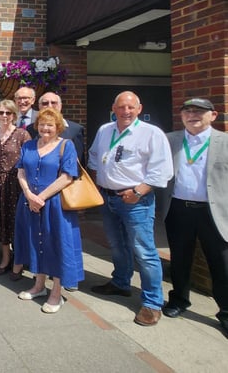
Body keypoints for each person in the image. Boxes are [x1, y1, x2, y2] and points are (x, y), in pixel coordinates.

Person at [88, 91, 173, 326]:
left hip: (136, 201)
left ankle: (152, 302)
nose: (126, 111)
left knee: (144, 252)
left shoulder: (151, 134)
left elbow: (162, 170)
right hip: (108, 198)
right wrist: (97, 186)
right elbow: (95, 157)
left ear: (139, 108)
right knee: (117, 245)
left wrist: (137, 192)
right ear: (113, 108)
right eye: (121, 107)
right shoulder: (105, 130)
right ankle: (120, 283)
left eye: (130, 107)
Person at [159, 98, 228, 334]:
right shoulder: (170, 140)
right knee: (179, 259)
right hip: (179, 208)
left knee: (221, 263)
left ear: (214, 115)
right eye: (187, 111)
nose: (192, 115)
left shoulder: (225, 141)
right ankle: (179, 300)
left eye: (199, 111)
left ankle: (226, 312)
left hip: (214, 212)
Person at [14, 108, 84, 313]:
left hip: (54, 205)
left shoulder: (66, 146)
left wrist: (41, 197)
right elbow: (21, 171)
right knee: (35, 242)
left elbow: (67, 176)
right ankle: (38, 285)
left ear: (58, 127)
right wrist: (28, 194)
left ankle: (56, 293)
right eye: (42, 124)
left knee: (56, 245)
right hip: (29, 202)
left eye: (50, 125)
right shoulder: (28, 145)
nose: (45, 128)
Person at [0, 99, 30, 275]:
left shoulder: (22, 135)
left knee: (17, 223)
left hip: (17, 186)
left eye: (8, 113)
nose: (4, 116)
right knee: (2, 222)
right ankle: (5, 258)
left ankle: (19, 261)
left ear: (14, 115)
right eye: (1, 112)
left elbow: (29, 160)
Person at [27, 92, 85, 164]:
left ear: (60, 105)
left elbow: (78, 162)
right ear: (39, 106)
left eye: (54, 103)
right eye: (45, 103)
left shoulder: (75, 130)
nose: (50, 106)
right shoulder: (30, 129)